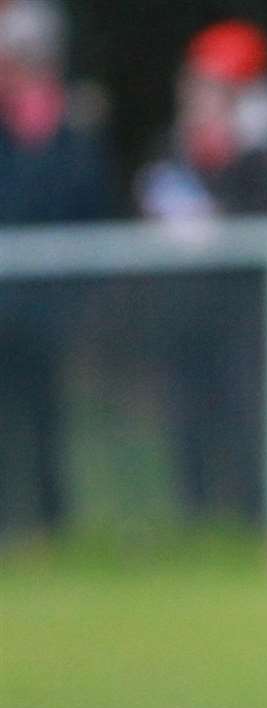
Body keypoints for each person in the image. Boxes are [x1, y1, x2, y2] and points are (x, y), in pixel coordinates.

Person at [137, 19, 267, 525]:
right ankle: (197, 518)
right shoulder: (172, 146)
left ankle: (255, 517)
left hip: (245, 312)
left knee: (245, 416)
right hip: (185, 311)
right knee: (188, 417)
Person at [0, 0, 111, 539]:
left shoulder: (71, 127)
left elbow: (86, 201)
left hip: (47, 304)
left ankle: (51, 524)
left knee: (46, 418)